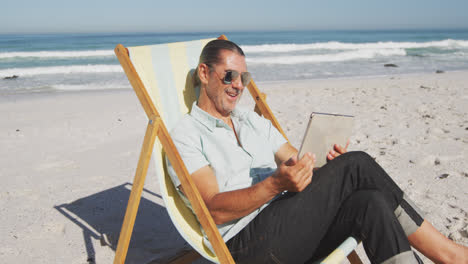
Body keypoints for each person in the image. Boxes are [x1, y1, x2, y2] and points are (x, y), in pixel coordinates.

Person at [167, 39, 468, 263]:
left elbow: (298, 159)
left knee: (370, 202)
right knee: (358, 165)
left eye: (243, 78)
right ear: (204, 74)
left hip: (289, 223)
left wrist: (324, 165)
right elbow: (213, 210)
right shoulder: (186, 136)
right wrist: (274, 185)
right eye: (229, 75)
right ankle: (450, 256)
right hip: (246, 245)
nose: (238, 86)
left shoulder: (250, 121)